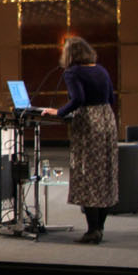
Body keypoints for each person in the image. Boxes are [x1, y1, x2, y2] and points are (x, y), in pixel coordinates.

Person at [39, 35, 119, 244]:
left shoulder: (73, 72)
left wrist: (58, 112)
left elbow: (78, 99)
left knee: (87, 173)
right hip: (107, 120)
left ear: (70, 54)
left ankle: (92, 230)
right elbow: (111, 98)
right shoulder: (101, 70)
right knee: (105, 173)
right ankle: (99, 227)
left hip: (89, 125)